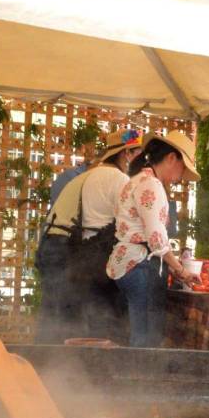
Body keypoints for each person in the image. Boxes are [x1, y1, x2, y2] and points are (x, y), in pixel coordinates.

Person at [35, 129, 142, 343]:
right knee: (73, 319)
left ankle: (45, 366)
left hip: (50, 245)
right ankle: (68, 366)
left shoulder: (87, 175)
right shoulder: (118, 178)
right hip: (68, 249)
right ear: (125, 154)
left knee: (54, 315)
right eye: (136, 154)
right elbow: (130, 225)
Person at [107, 131, 200, 347]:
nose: (181, 177)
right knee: (146, 336)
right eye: (183, 168)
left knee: (137, 330)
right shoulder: (152, 185)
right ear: (171, 158)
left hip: (127, 262)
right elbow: (156, 238)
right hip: (140, 264)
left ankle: (133, 376)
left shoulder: (136, 180)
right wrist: (182, 271)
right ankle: (139, 378)